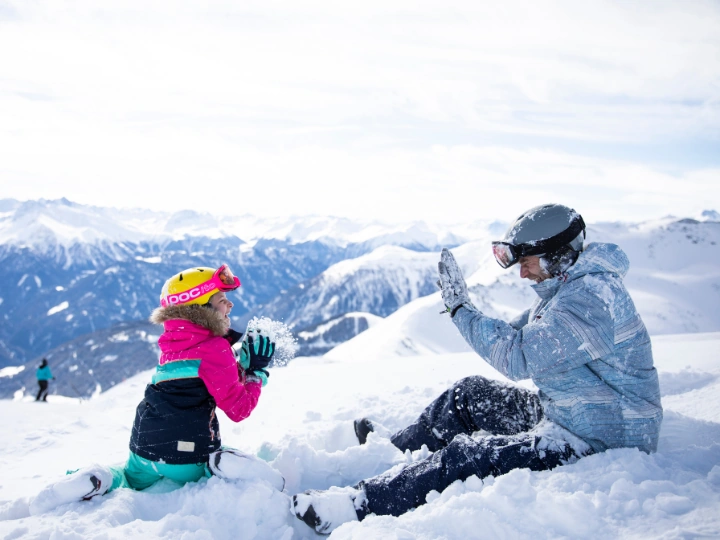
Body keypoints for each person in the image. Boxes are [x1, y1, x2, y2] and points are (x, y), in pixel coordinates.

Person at [292, 204, 663, 534]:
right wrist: (471, 316)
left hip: (604, 435)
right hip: (574, 409)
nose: (522, 274)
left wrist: (460, 310)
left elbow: (517, 357)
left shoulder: (590, 301)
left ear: (557, 257)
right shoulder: (570, 290)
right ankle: (394, 452)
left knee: (469, 455)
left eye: (528, 262)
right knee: (468, 395)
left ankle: (358, 506)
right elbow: (524, 332)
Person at [31, 264, 283, 514]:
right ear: (201, 307)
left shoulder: (171, 343)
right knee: (209, 465)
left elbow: (198, 377)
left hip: (144, 446)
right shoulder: (216, 347)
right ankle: (223, 463)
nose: (230, 305)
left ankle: (98, 479)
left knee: (127, 476)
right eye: (222, 299)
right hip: (189, 453)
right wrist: (253, 373)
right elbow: (239, 408)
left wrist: (238, 368)